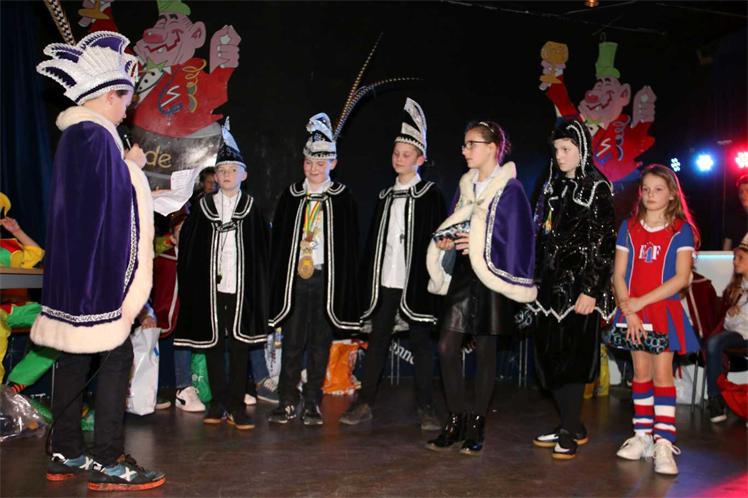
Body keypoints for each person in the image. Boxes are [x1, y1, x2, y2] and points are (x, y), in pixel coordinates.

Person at [32, 32, 165, 491]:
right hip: (96, 276)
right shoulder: (95, 136)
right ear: (109, 95)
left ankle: (65, 449)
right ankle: (109, 460)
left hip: (74, 273)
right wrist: (133, 168)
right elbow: (113, 201)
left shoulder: (75, 136)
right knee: (115, 354)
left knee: (73, 358)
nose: (127, 110)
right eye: (125, 100)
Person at [425, 121, 536, 455]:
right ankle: (456, 418)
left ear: (492, 148)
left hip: (492, 277)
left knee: (486, 350)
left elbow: (517, 237)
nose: (465, 151)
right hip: (464, 275)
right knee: (447, 346)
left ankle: (476, 423)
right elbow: (458, 222)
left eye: (471, 144)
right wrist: (447, 241)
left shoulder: (510, 189)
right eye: (464, 144)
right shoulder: (466, 185)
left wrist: (476, 240)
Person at [340, 98, 445, 430]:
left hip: (415, 282)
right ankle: (365, 402)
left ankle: (426, 406)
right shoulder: (384, 196)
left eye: (406, 154)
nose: (399, 159)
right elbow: (374, 244)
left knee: (422, 345)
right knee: (378, 342)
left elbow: (438, 243)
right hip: (386, 281)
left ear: (420, 159)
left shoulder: (430, 195)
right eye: (396, 153)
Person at [528, 119, 616, 460]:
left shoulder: (597, 187)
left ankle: (569, 428)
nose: (560, 156)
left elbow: (604, 244)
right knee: (551, 357)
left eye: (566, 149)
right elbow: (540, 237)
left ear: (582, 151)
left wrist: (591, 290)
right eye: (556, 150)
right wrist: (533, 281)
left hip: (579, 289)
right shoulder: (551, 186)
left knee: (574, 358)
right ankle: (571, 424)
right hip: (549, 289)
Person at [173, 119, 271, 430]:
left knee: (240, 346)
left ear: (244, 175)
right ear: (215, 176)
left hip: (241, 289)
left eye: (233, 170)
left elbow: (262, 254)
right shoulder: (203, 209)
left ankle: (237, 404)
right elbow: (190, 252)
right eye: (222, 170)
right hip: (211, 290)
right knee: (213, 346)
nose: (227, 175)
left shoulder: (252, 209)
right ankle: (217, 402)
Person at [267, 113, 361, 426]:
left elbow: (349, 248)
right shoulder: (292, 196)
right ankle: (286, 401)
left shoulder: (343, 197)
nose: (314, 168)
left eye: (320, 163)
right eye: (309, 162)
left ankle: (311, 403)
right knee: (292, 342)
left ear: (333, 163)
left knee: (321, 344)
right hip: (296, 279)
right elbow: (279, 244)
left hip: (326, 281)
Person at [612, 164, 700, 476]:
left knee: (663, 375)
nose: (651, 195)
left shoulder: (680, 230)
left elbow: (681, 278)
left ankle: (664, 441)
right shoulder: (628, 227)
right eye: (646, 189)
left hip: (662, 310)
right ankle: (642, 435)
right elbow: (619, 274)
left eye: (658, 189)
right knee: (640, 373)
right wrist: (630, 310)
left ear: (672, 194)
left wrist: (641, 303)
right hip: (633, 312)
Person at [706, 232, 748, 423]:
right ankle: (715, 399)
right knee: (714, 342)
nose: (735, 262)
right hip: (740, 335)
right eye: (734, 258)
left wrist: (738, 316)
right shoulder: (735, 289)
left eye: (740, 258)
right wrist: (732, 314)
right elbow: (728, 324)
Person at [722, 175, 748, 250]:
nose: (743, 195)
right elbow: (726, 250)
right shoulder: (733, 219)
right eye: (741, 192)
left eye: (747, 191)